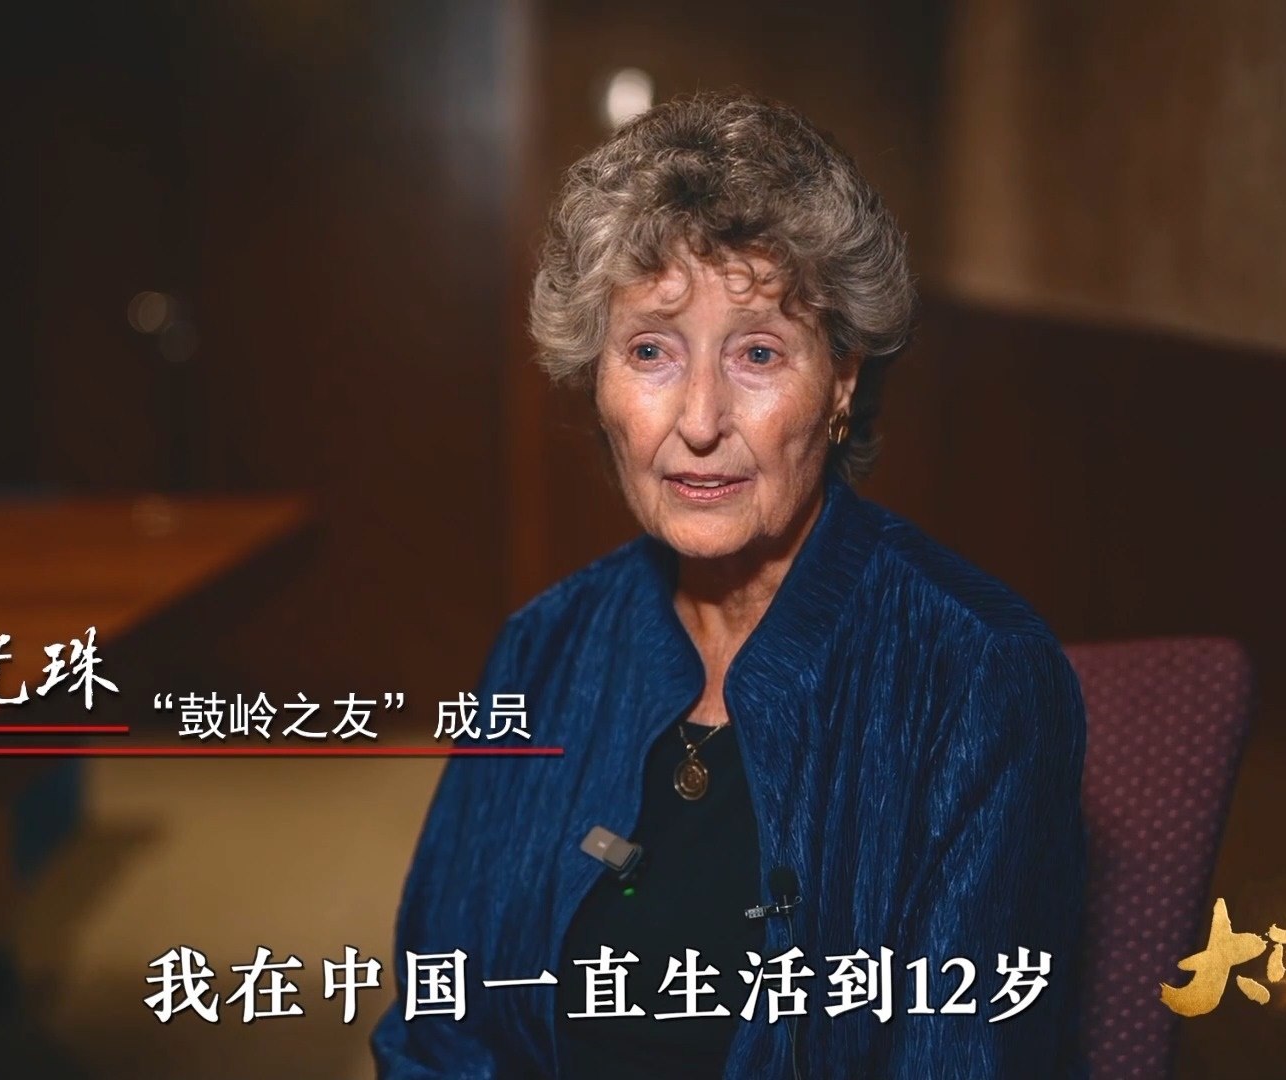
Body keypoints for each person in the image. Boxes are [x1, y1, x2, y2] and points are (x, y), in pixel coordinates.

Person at [372, 89, 1087, 1079]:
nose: (700, 420)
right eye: (651, 351)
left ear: (840, 382)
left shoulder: (976, 675)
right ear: (598, 380)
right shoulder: (543, 647)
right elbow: (436, 1021)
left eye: (758, 352)